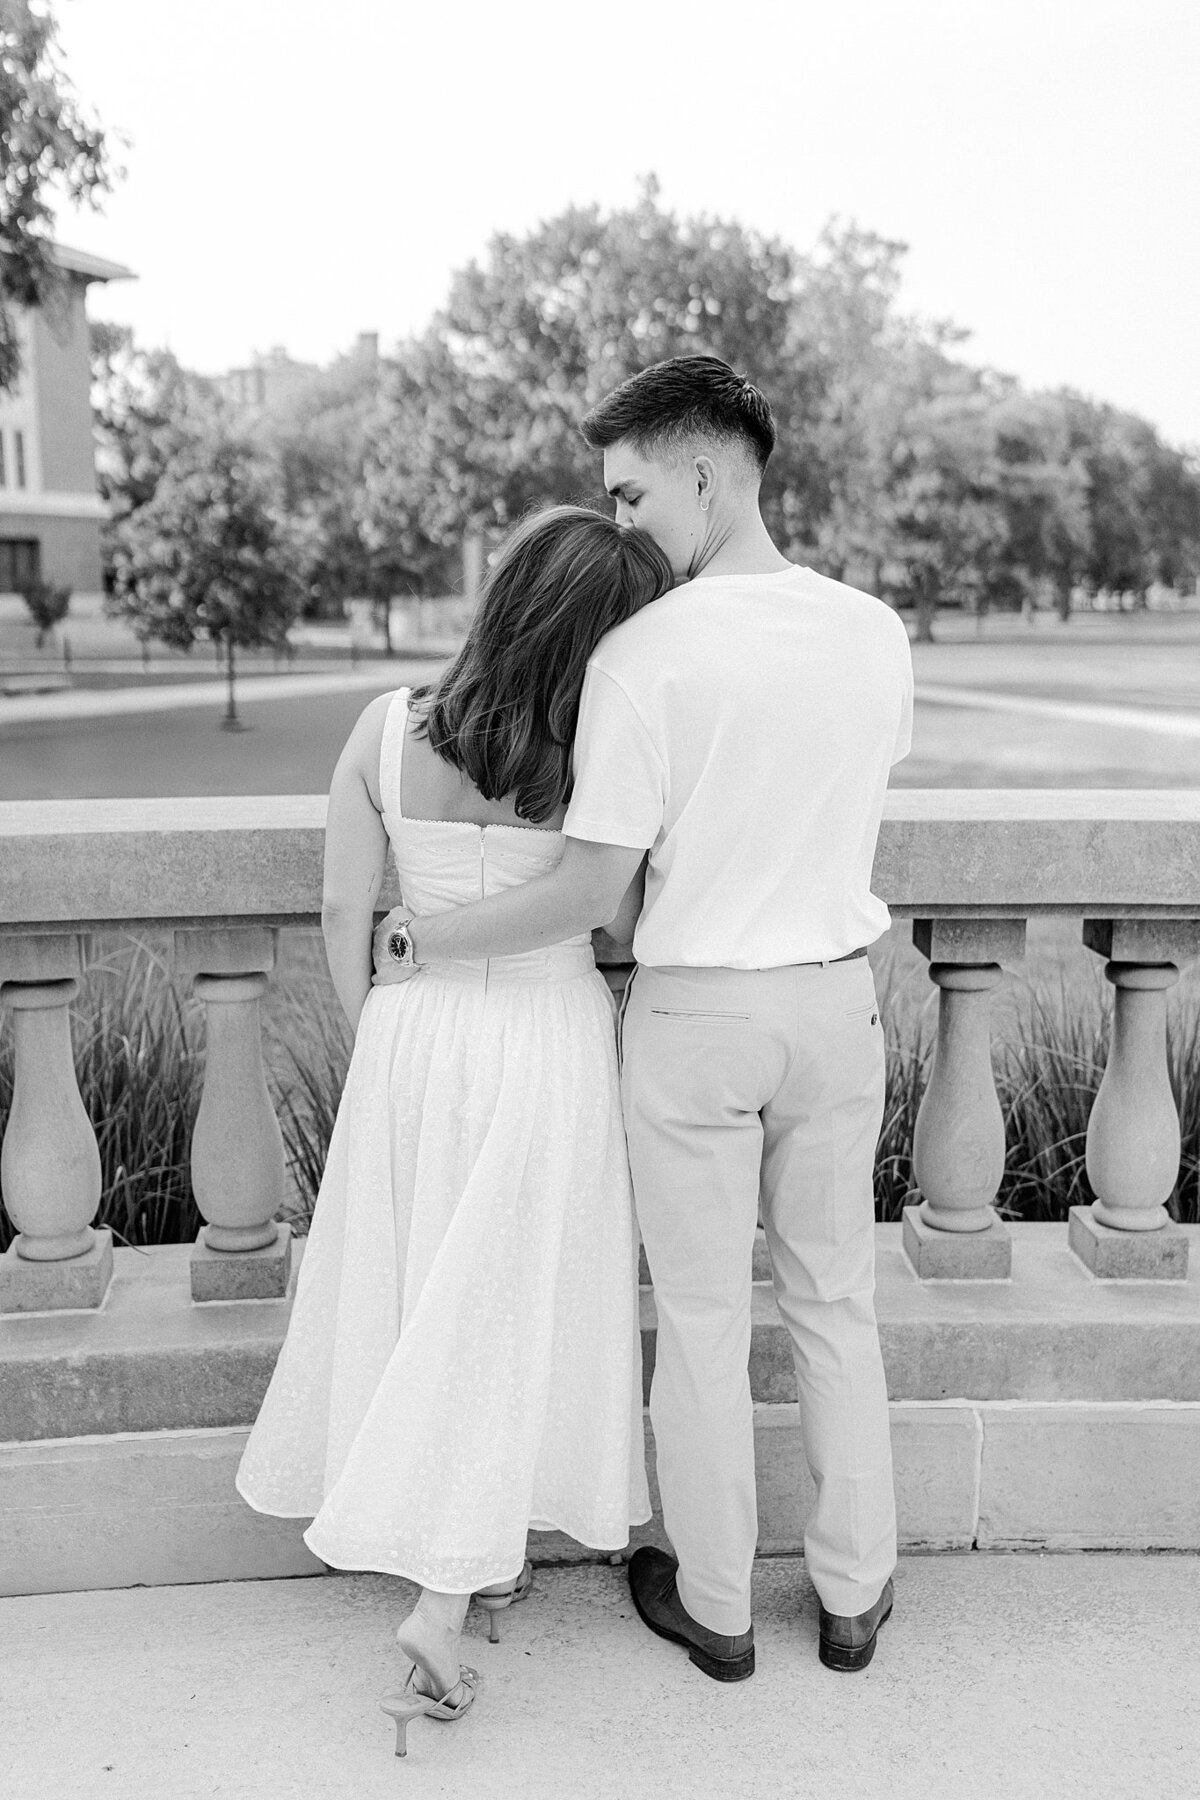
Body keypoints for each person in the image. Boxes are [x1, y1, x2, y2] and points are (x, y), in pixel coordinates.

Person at [372, 355, 914, 1683]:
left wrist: (423, 938)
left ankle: (720, 1611)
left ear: (705, 472)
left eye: (628, 496)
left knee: (707, 1317)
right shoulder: (874, 631)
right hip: (837, 1004)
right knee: (838, 1301)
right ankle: (853, 1598)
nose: (621, 527)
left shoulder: (638, 655)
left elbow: (589, 891)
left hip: (697, 1018)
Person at [236, 504, 671, 1754]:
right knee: (504, 1300)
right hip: (543, 1037)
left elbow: (339, 905)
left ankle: (462, 1559)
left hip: (413, 1036)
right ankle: (447, 1588)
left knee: (432, 1283)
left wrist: (381, 1031)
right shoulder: (599, 752)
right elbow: (616, 925)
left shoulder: (385, 726)